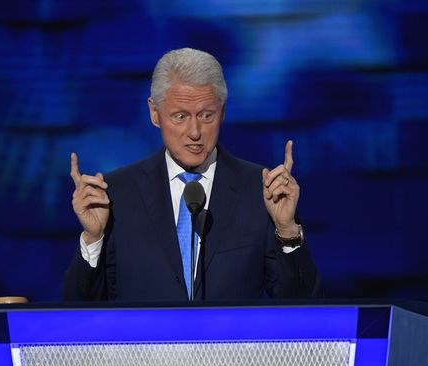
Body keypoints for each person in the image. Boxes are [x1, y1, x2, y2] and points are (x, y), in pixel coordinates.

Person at [63, 48, 322, 301]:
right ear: (155, 113)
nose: (195, 132)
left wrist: (287, 230)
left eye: (206, 115)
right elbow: (79, 319)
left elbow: (304, 311)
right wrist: (93, 239)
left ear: (223, 112)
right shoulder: (117, 195)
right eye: (180, 116)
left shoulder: (260, 191)